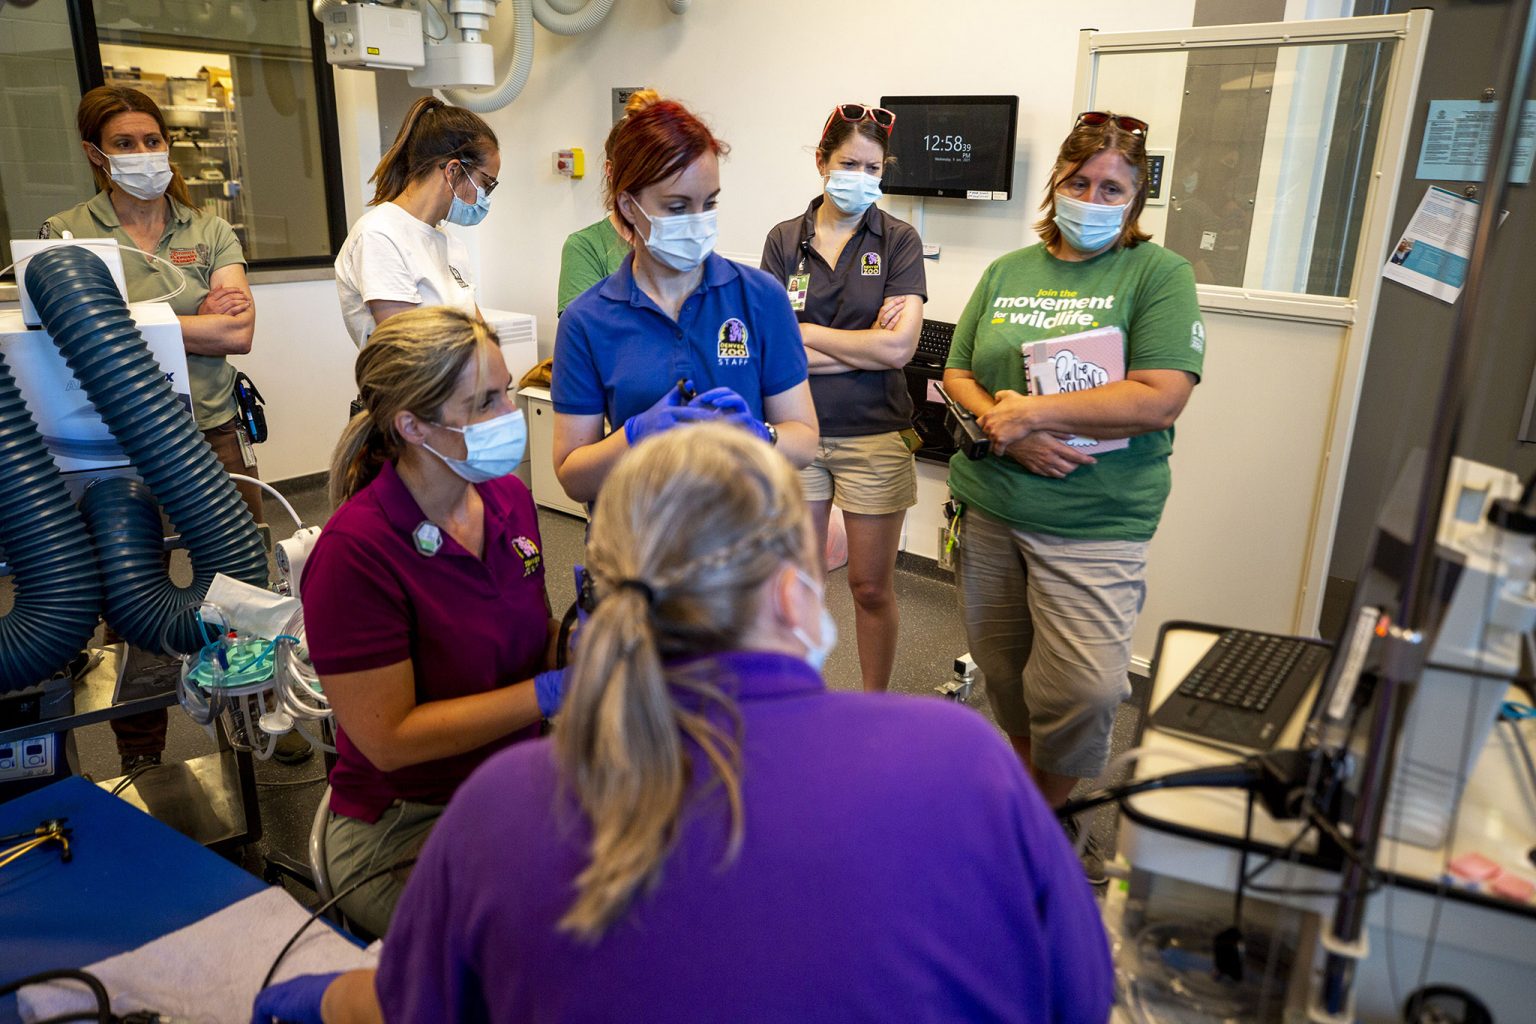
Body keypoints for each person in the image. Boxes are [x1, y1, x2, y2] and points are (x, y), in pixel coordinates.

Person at [253, 424, 1114, 1024]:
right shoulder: (962, 759)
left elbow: (415, 1007)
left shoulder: (506, 809)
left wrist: (300, 1000)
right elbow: (1080, 997)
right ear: (790, 589)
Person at [943, 111, 1204, 834]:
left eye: (1112, 188)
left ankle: (1040, 822)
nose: (1092, 198)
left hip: (1094, 520)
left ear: (1135, 201)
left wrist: (1037, 415)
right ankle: (1034, 803)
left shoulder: (1158, 274)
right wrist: (1011, 433)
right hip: (994, 504)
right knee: (1005, 671)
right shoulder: (1007, 271)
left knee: (1085, 688)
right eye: (1079, 181)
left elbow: (1161, 396)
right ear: (1056, 184)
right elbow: (959, 371)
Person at [299, 307, 564, 937]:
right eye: (485, 403)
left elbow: (533, 636)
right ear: (413, 425)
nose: (511, 414)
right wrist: (550, 693)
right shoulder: (355, 553)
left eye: (508, 391)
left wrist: (593, 637)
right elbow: (391, 738)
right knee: (542, 945)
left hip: (516, 783)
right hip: (407, 820)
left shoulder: (507, 499)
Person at [44, 84, 265, 775]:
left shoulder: (209, 231)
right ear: (94, 154)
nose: (145, 155)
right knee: (134, 602)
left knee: (244, 587)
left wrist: (116, 324)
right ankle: (142, 753)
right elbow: (63, 338)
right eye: (125, 144)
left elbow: (240, 331)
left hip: (212, 434)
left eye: (152, 140)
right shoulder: (64, 236)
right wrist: (193, 323)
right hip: (116, 449)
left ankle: (255, 724)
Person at [552, 94, 817, 503]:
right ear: (628, 205)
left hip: (747, 543)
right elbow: (573, 477)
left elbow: (803, 440)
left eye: (709, 203)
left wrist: (756, 436)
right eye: (677, 207)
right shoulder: (587, 320)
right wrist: (637, 436)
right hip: (639, 544)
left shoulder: (761, 299)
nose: (697, 222)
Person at [761, 103, 927, 692]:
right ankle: (800, 696)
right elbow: (775, 352)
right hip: (795, 427)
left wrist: (807, 335)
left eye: (872, 166)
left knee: (870, 586)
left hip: (875, 432)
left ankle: (873, 704)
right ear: (821, 163)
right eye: (848, 163)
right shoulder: (784, 240)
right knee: (800, 579)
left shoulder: (900, 240)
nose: (860, 175)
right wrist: (863, 343)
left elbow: (899, 351)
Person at [334, 97, 497, 347]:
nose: (485, 197)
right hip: (417, 387)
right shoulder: (379, 235)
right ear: (453, 170)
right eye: (485, 184)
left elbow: (481, 339)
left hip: (462, 383)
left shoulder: (449, 244)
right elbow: (412, 351)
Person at [554, 90, 653, 315]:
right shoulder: (586, 247)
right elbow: (586, 336)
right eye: (636, 167)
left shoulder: (677, 242)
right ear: (611, 170)